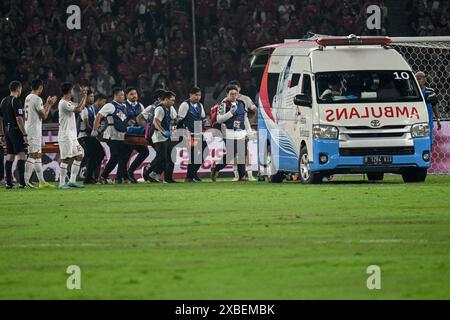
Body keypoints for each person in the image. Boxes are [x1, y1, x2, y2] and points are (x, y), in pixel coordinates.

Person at [211, 85, 252, 182]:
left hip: (241, 131)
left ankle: (242, 176)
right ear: (227, 94)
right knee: (230, 155)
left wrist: (249, 131)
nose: (233, 95)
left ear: (238, 94)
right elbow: (219, 119)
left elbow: (245, 118)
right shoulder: (224, 104)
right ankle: (216, 169)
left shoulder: (242, 103)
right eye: (231, 94)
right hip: (228, 132)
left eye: (235, 93)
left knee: (242, 153)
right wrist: (230, 113)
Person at [24, 79, 57, 188]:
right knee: (33, 155)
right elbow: (44, 116)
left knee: (38, 156)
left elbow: (40, 113)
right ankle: (25, 181)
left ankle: (41, 181)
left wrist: (47, 103)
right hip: (33, 131)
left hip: (30, 129)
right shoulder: (37, 99)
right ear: (40, 88)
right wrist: (50, 105)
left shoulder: (28, 97)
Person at [92, 88, 130, 184]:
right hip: (111, 135)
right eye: (121, 95)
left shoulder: (123, 106)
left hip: (121, 135)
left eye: (123, 95)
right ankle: (121, 178)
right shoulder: (109, 105)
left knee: (118, 157)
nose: (123, 97)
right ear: (115, 96)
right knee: (119, 156)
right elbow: (98, 116)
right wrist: (95, 129)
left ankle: (108, 177)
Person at [58, 83, 88, 189]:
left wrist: (84, 95)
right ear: (69, 91)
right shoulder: (63, 103)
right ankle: (61, 183)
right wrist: (84, 96)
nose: (73, 92)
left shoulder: (68, 102)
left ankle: (72, 181)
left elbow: (81, 106)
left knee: (79, 156)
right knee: (66, 159)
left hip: (72, 135)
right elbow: (79, 109)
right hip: (65, 135)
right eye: (72, 90)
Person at [0, 81, 28, 189]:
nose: (21, 91)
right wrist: (24, 133)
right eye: (20, 89)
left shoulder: (3, 101)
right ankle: (22, 183)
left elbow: (0, 118)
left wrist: (1, 134)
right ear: (18, 89)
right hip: (16, 131)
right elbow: (18, 118)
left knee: (10, 155)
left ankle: (8, 182)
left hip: (7, 131)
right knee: (21, 155)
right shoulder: (15, 101)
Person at [228, 80, 257, 181]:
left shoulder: (245, 99)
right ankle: (236, 174)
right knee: (234, 151)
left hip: (243, 128)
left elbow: (255, 110)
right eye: (232, 90)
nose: (234, 92)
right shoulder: (226, 100)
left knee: (245, 151)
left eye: (236, 89)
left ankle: (249, 174)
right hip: (231, 129)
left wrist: (250, 122)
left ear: (239, 89)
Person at [177, 86, 208, 183]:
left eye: (199, 95)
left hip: (198, 132)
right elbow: (179, 120)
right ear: (190, 95)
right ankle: (189, 177)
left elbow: (202, 117)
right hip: (188, 133)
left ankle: (193, 173)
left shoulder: (200, 105)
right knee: (193, 155)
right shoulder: (185, 105)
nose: (198, 97)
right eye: (196, 95)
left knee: (205, 151)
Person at [147, 91, 178, 183]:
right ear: (166, 99)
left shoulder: (169, 108)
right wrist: (164, 131)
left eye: (174, 100)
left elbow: (174, 119)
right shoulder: (160, 109)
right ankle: (147, 170)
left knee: (169, 157)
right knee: (161, 157)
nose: (173, 102)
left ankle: (162, 176)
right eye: (172, 100)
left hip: (165, 136)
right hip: (158, 136)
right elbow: (155, 122)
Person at [136, 89, 166, 181]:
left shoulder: (153, 107)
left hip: (157, 135)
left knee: (163, 156)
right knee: (162, 155)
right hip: (157, 134)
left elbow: (139, 118)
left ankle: (154, 173)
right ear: (159, 98)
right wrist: (148, 127)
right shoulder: (155, 107)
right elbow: (139, 118)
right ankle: (149, 170)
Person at [78, 91, 107, 184]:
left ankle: (89, 176)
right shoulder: (84, 109)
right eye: (90, 96)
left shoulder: (92, 109)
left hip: (90, 137)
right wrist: (96, 133)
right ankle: (87, 176)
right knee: (95, 155)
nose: (92, 98)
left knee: (98, 155)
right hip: (84, 136)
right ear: (85, 98)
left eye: (92, 96)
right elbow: (86, 126)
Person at [124, 87, 149, 183]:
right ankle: (125, 175)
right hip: (128, 134)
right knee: (126, 155)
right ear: (127, 95)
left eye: (135, 93)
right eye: (131, 94)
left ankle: (130, 171)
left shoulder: (141, 106)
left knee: (145, 152)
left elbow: (143, 118)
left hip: (138, 134)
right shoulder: (124, 105)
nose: (134, 96)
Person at [415, 72, 442, 145]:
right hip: (416, 121)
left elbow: (435, 105)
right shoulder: (412, 92)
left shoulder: (430, 91)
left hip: (428, 122)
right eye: (416, 79)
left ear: (424, 79)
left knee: (428, 143)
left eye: (419, 79)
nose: (417, 81)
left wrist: (438, 119)